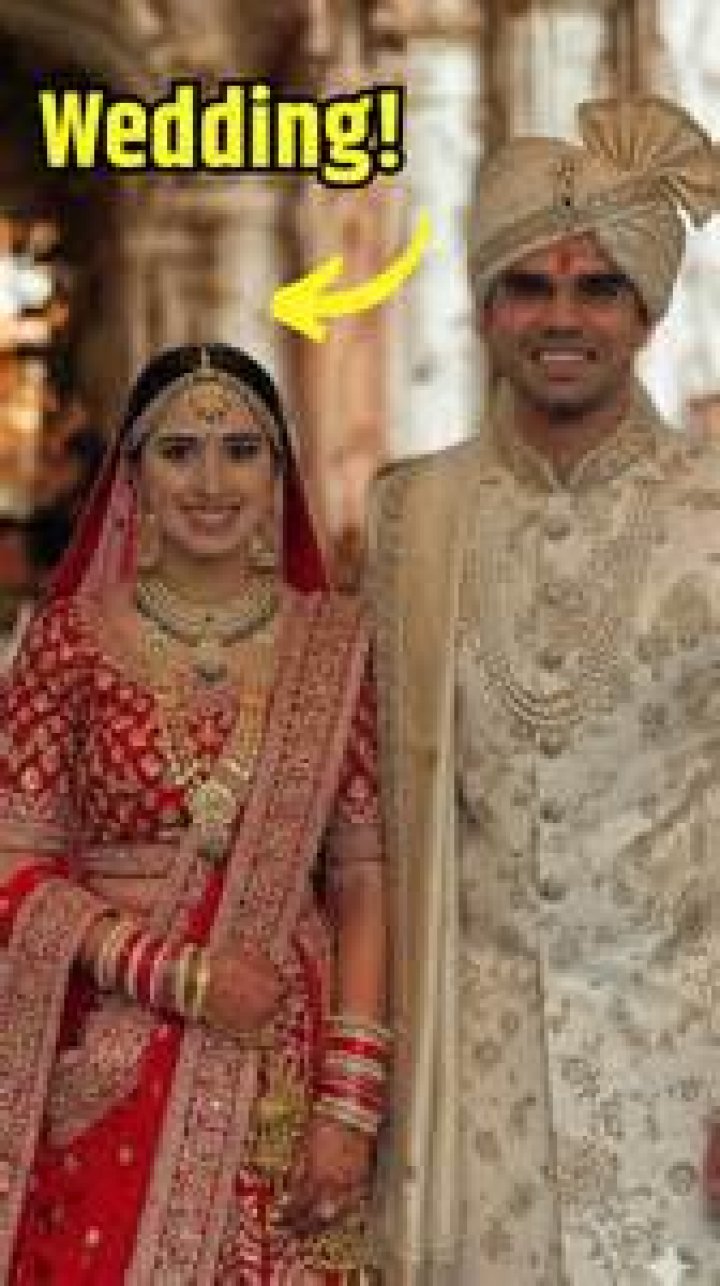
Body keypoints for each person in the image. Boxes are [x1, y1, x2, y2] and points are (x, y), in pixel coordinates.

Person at [369, 96, 720, 1283]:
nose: (561, 317)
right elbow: (370, 800)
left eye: (598, 287)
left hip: (684, 1082)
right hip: (470, 1086)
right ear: (484, 308)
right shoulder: (412, 514)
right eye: (528, 285)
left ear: (648, 310)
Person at [0, 343, 388, 1283]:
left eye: (241, 450)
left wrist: (349, 1101)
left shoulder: (338, 645)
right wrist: (176, 973)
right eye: (179, 451)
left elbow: (363, 877)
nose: (211, 482)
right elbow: (12, 866)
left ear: (277, 471)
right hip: (109, 1055)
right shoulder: (70, 642)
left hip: (283, 1068)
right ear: (132, 476)